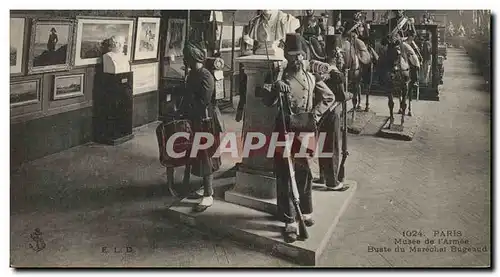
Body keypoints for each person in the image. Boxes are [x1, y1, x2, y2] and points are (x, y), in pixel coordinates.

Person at [262, 33, 336, 243]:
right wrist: (276, 89)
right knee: (285, 173)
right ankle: (289, 219)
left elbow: (329, 96)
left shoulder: (311, 77)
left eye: (298, 56)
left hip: (305, 128)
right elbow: (266, 100)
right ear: (286, 55)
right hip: (284, 129)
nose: (295, 60)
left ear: (304, 55)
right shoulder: (277, 74)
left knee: (304, 170)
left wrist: (315, 115)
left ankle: (306, 211)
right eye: (291, 56)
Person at [180, 41, 225, 212]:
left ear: (192, 58)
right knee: (199, 154)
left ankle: (208, 195)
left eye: (186, 58)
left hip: (206, 120)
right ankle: (206, 190)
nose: (184, 61)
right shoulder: (193, 74)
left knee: (206, 154)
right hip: (196, 119)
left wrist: (188, 110)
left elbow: (203, 101)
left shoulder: (205, 75)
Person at [314, 34, 351, 190]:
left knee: (323, 144)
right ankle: (332, 182)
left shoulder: (319, 68)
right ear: (336, 55)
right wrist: (351, 95)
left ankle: (323, 176)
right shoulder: (337, 74)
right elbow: (341, 96)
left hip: (321, 112)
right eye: (340, 53)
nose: (342, 56)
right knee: (333, 146)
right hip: (332, 111)